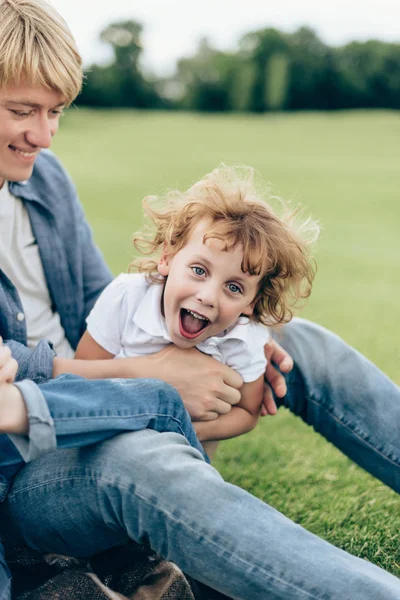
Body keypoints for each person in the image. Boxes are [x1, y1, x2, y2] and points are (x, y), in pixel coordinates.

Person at [0, 1, 399, 599]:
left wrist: (214, 343)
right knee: (144, 462)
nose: (44, 134)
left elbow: (97, 301)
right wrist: (149, 376)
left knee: (290, 341)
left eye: (55, 111)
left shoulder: (44, 178)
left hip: (104, 389)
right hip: (33, 464)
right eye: (21, 111)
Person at [71, 164, 319, 455]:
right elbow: (80, 378)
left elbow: (247, 412)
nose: (208, 296)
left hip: (185, 452)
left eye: (234, 287)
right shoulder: (126, 297)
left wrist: (182, 429)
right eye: (199, 270)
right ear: (168, 257)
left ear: (251, 302)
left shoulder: (244, 338)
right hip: (110, 438)